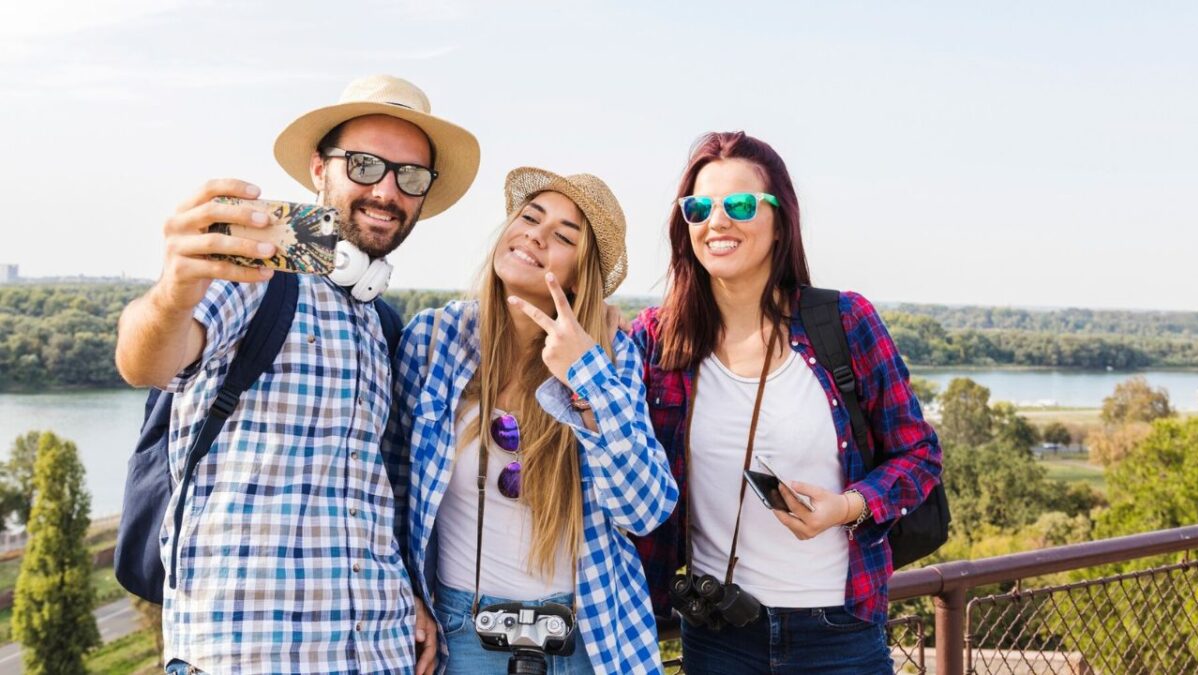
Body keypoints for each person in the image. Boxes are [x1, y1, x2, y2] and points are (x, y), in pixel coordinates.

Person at [114, 75, 479, 675]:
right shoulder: (254, 281)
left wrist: (408, 595)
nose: (386, 190)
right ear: (319, 169)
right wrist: (174, 293)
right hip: (250, 656)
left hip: (382, 653)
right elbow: (146, 360)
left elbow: (371, 496)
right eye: (363, 165)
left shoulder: (383, 324)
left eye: (409, 177)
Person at [631, 131, 942, 674]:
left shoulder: (844, 322)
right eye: (699, 207)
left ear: (781, 221)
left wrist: (846, 507)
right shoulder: (657, 342)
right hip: (716, 632)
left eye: (742, 204)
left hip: (839, 632)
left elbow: (920, 456)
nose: (717, 221)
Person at [394, 167, 678, 675]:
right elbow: (392, 488)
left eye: (564, 236)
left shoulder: (610, 359)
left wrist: (587, 378)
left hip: (584, 637)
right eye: (529, 217)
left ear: (578, 274)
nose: (536, 235)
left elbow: (646, 509)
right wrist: (406, 596)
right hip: (462, 635)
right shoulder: (432, 339)